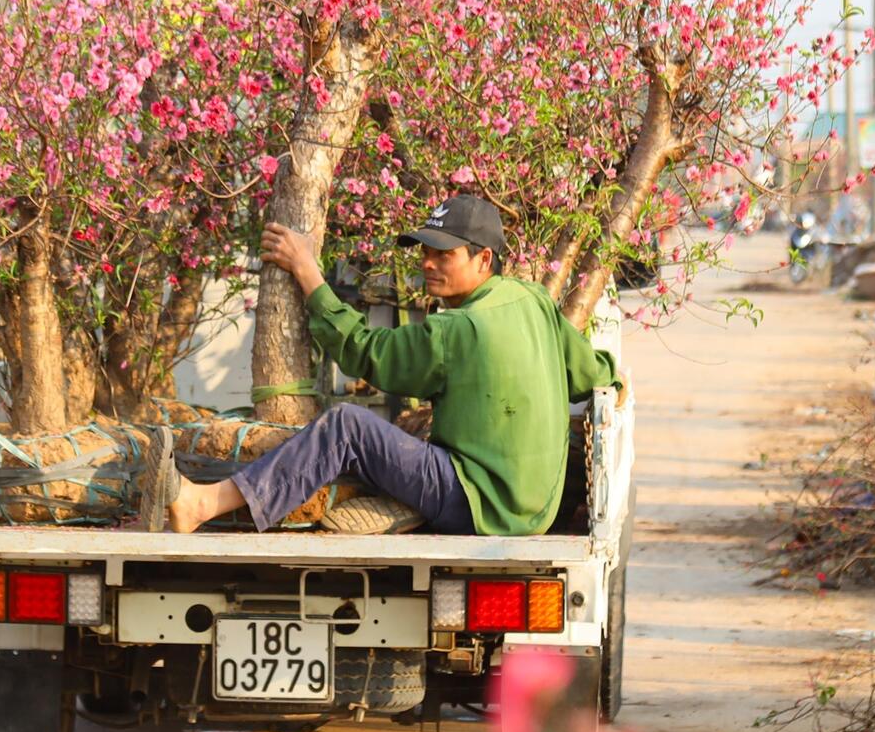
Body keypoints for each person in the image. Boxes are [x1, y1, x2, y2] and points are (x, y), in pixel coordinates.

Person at [144, 195, 624, 536]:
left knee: (348, 428)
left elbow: (364, 353)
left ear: (484, 259)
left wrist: (308, 272)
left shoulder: (456, 330)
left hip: (478, 506)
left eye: (444, 255)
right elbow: (599, 376)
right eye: (426, 253)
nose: (429, 264)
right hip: (534, 511)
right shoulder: (534, 301)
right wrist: (618, 387)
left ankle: (203, 503)